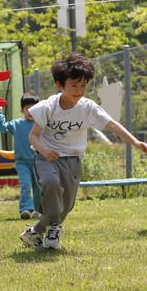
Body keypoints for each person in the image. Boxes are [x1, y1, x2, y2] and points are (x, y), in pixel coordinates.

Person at [19, 53, 147, 250]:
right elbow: (33, 136)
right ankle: (54, 228)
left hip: (73, 160)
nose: (79, 91)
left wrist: (136, 142)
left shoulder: (88, 107)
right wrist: (44, 150)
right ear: (59, 84)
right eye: (74, 85)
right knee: (51, 184)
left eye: (83, 86)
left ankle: (35, 232)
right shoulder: (48, 106)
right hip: (47, 158)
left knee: (67, 204)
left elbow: (112, 125)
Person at [0, 93, 41, 220]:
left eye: (34, 108)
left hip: (39, 162)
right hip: (22, 163)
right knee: (26, 185)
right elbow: (2, 127)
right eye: (28, 108)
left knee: (39, 187)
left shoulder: (41, 124)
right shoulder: (17, 124)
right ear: (22, 110)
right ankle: (25, 209)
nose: (31, 111)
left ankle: (39, 209)